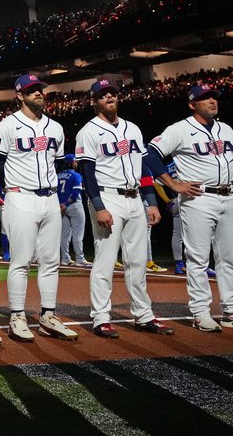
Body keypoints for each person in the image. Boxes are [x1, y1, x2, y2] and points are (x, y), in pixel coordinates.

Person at [74, 79, 173, 338]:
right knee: (105, 261)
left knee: (138, 261)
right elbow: (88, 173)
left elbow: (143, 168)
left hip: (134, 199)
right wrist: (99, 207)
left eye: (112, 94)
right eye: (103, 95)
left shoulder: (133, 129)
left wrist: (151, 201)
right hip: (108, 197)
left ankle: (143, 315)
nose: (109, 97)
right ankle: (101, 318)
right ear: (94, 101)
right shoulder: (89, 131)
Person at [0, 74, 77, 342]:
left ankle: (48, 316)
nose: (38, 93)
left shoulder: (56, 128)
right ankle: (17, 316)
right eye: (31, 90)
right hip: (20, 196)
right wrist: (12, 187)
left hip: (49, 198)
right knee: (21, 260)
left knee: (51, 261)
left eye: (39, 89)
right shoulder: (6, 126)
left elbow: (59, 162)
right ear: (19, 95)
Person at [144, 83, 233, 332]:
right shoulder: (179, 129)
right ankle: (201, 312)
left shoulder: (226, 129)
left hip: (228, 195)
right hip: (198, 197)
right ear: (192, 104)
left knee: (229, 257)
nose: (212, 101)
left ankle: (230, 309)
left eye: (213, 97)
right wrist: (173, 183)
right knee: (198, 257)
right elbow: (149, 154)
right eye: (205, 98)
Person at [57, 154, 87, 266]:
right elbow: (75, 193)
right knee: (78, 234)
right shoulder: (76, 175)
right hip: (74, 205)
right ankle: (80, 259)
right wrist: (67, 203)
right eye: (75, 161)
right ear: (71, 162)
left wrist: (61, 204)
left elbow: (55, 191)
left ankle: (65, 258)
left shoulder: (58, 175)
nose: (76, 163)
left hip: (61, 207)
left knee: (64, 235)